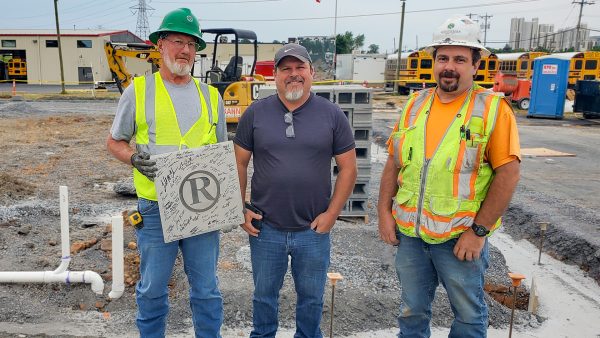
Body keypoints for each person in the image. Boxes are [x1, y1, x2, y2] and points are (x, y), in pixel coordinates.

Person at [377, 16, 521, 338]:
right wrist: (383, 213)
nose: (449, 67)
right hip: (411, 235)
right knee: (411, 312)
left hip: (460, 238)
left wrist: (478, 232)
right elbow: (393, 163)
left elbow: (508, 175)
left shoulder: (492, 109)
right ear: (434, 62)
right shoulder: (415, 104)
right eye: (443, 58)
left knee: (468, 317)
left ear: (475, 65)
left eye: (459, 59)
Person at [106, 8, 226, 338]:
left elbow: (222, 157)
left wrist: (229, 207)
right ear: (160, 45)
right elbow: (115, 142)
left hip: (202, 208)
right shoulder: (139, 91)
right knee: (153, 290)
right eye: (177, 41)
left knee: (206, 290)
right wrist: (132, 158)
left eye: (191, 43)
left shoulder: (211, 97)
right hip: (156, 208)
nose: (185, 50)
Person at [234, 43, 357, 338]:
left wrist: (331, 214)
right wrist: (239, 208)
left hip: (313, 230)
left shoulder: (332, 115)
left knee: (311, 299)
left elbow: (349, 169)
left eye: (300, 67)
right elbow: (238, 163)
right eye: (286, 69)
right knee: (264, 297)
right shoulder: (255, 113)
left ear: (311, 73)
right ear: (274, 75)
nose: (294, 74)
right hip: (266, 228)